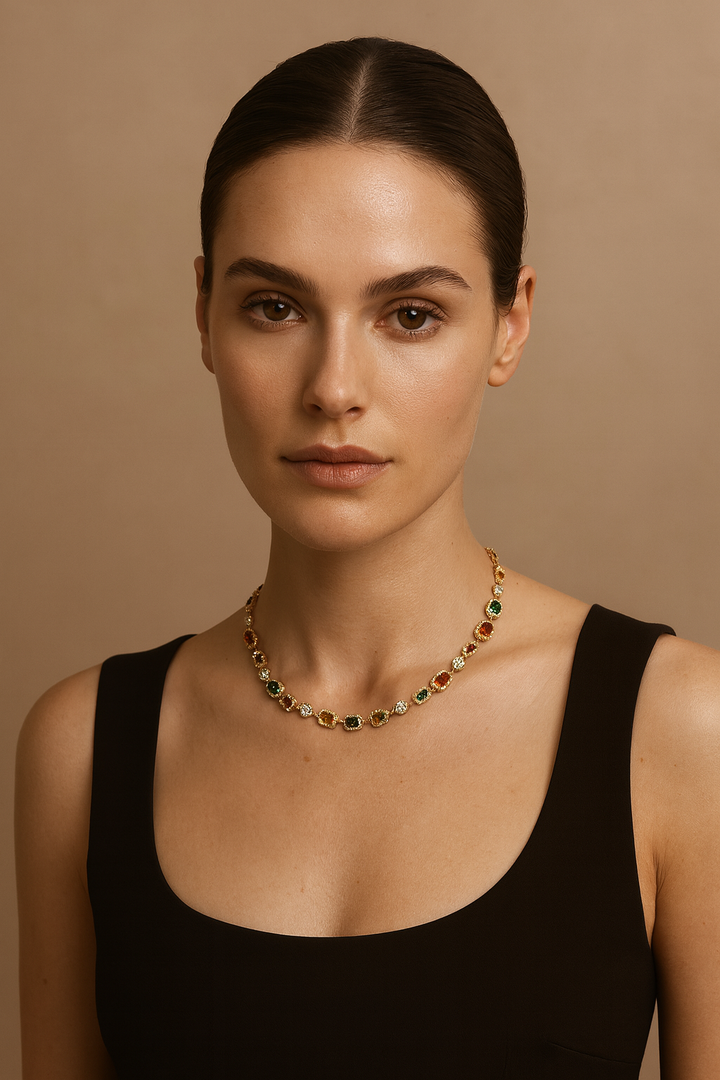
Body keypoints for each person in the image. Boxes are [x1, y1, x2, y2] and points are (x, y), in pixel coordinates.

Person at [14, 36, 720, 1079]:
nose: (334, 385)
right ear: (204, 311)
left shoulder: (680, 732)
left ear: (509, 325)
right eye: (275, 307)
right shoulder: (80, 751)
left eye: (411, 315)